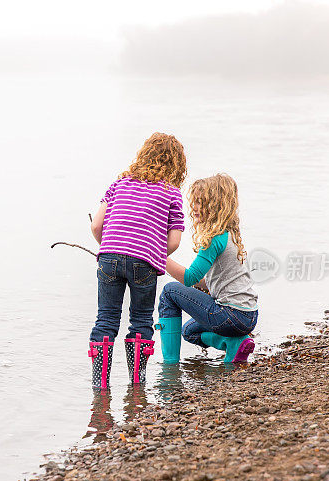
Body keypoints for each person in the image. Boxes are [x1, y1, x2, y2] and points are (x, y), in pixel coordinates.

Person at [88, 132, 186, 388]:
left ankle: (100, 386)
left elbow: (97, 226)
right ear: (177, 164)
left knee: (106, 319)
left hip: (109, 256)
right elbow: (174, 242)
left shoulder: (120, 183)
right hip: (144, 261)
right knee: (141, 320)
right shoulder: (172, 193)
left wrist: (110, 249)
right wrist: (149, 252)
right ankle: (136, 384)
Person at [156, 173, 258, 364]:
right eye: (194, 202)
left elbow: (189, 277)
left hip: (229, 315)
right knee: (189, 332)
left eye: (201, 203)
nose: (194, 208)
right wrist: (199, 286)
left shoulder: (213, 239)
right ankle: (233, 344)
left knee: (169, 291)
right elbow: (206, 280)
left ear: (215, 207)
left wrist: (158, 256)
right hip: (248, 317)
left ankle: (170, 367)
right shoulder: (231, 236)